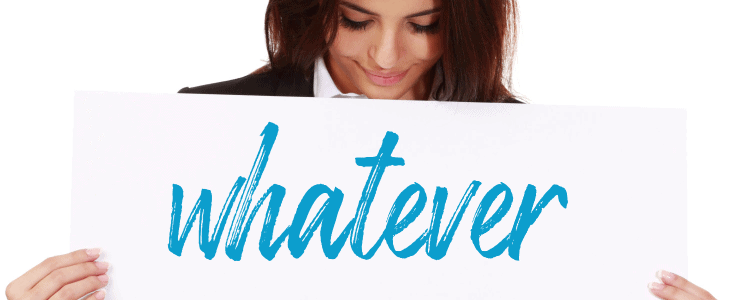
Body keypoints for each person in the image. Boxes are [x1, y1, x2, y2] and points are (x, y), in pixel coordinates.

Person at [4, 0, 716, 300]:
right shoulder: (206, 126)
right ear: (312, 11)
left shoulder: (534, 157)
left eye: (423, 24)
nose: (385, 54)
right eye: (357, 19)